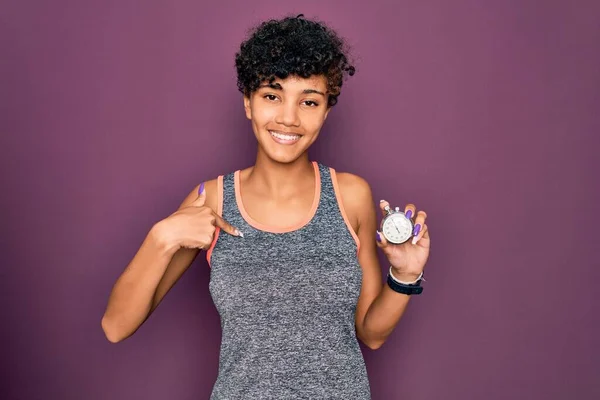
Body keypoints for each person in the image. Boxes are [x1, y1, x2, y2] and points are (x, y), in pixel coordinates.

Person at [101, 14, 431, 399]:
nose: (288, 118)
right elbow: (115, 326)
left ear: (325, 112)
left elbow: (371, 335)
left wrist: (405, 276)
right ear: (248, 103)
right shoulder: (212, 200)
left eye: (309, 101)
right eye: (272, 96)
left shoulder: (351, 196)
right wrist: (161, 236)